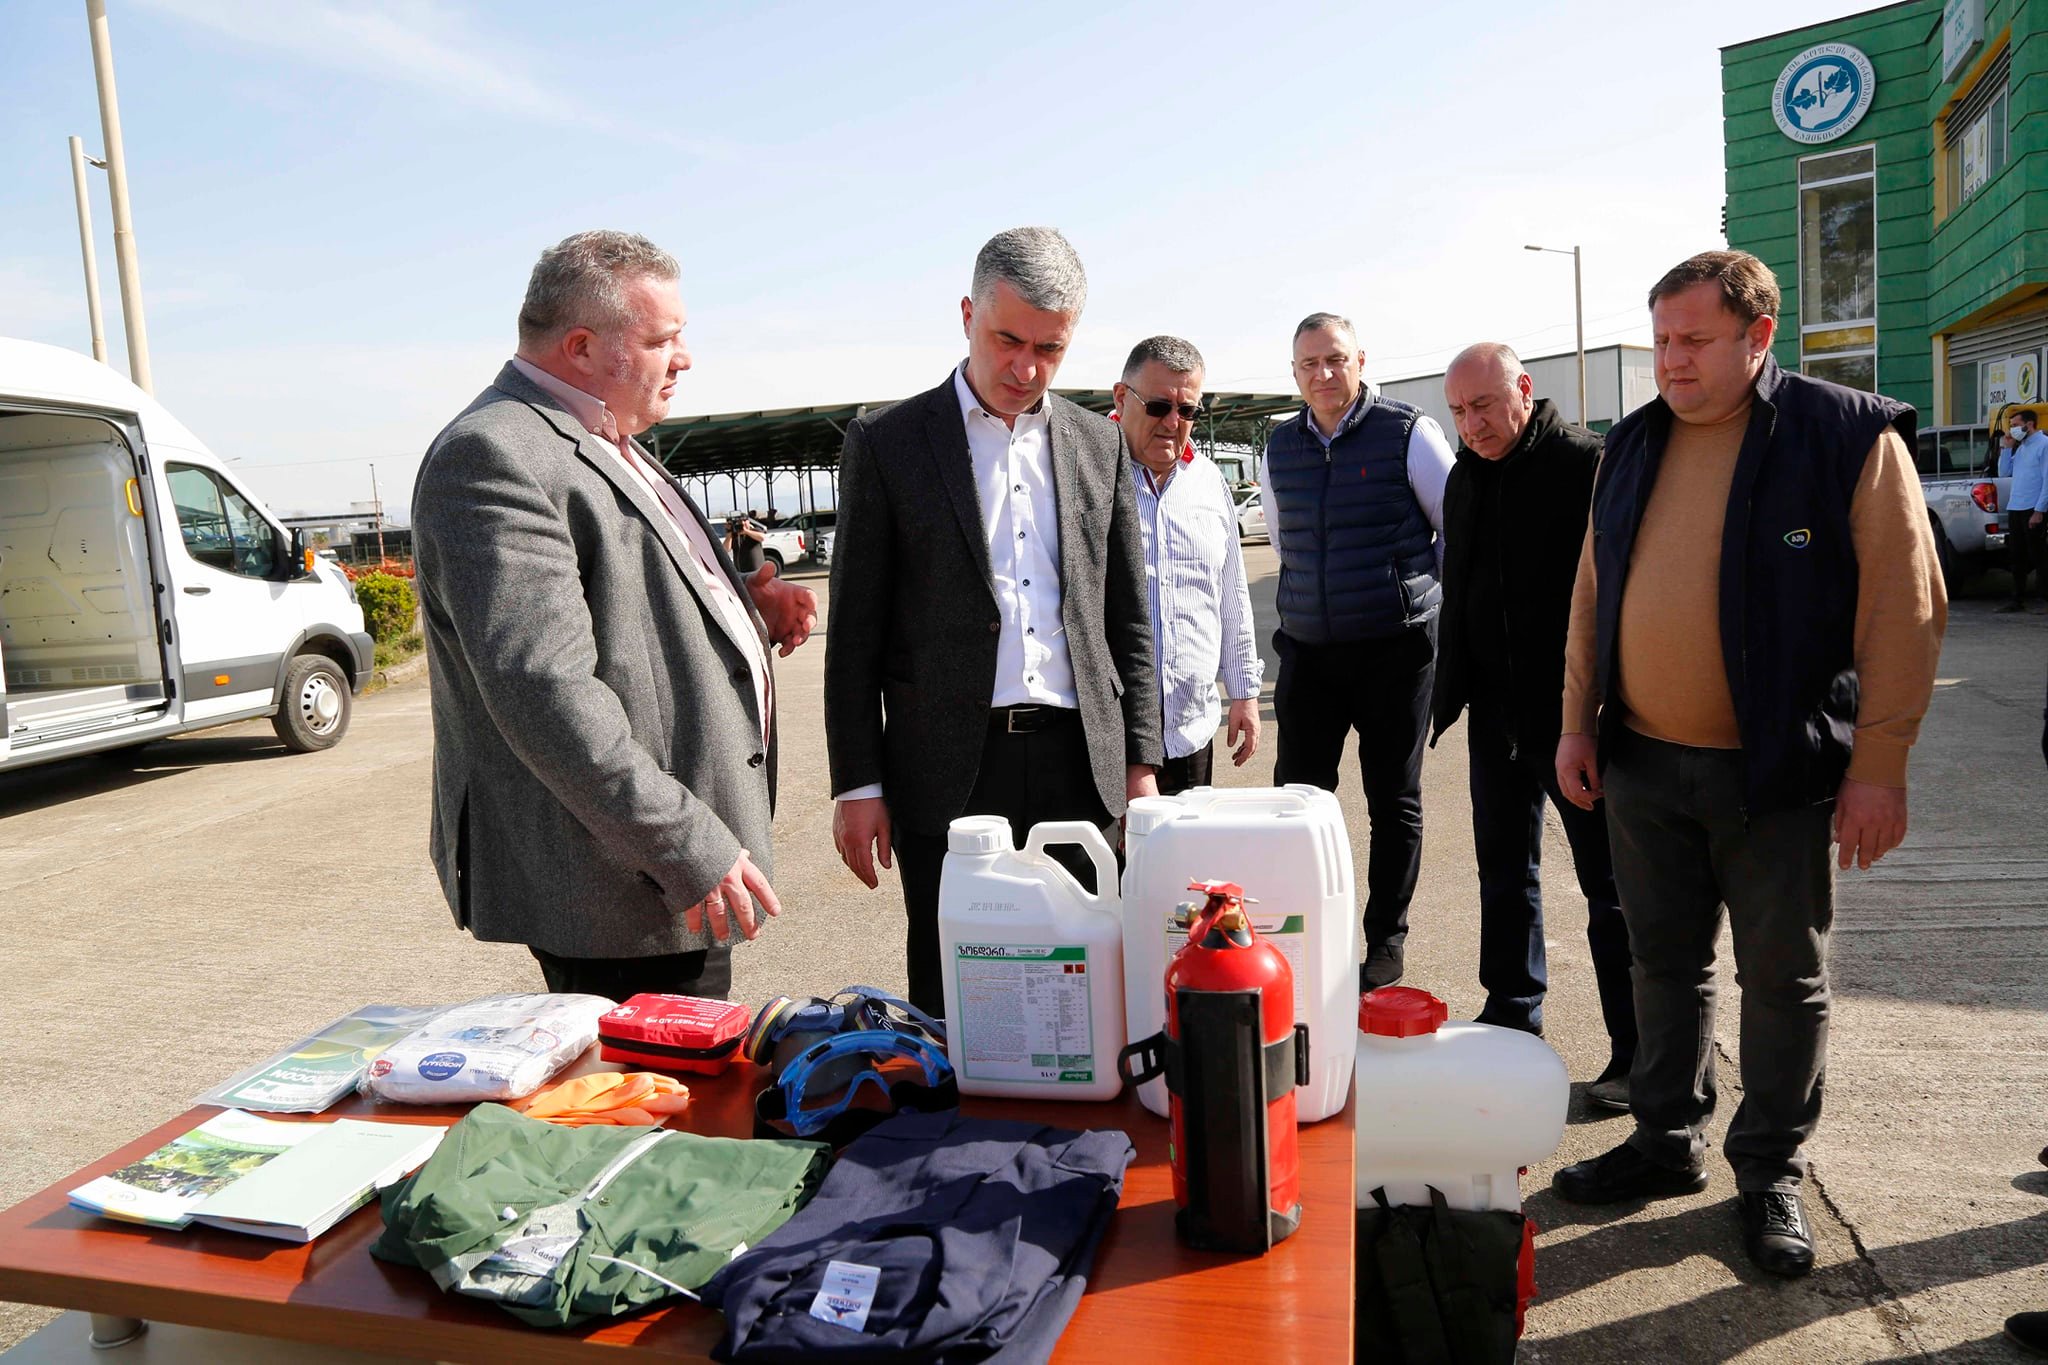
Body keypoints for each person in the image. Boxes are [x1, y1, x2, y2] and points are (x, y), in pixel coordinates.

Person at [1549, 250, 1946, 1279]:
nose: (1670, 361)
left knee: (1781, 979)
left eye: (1693, 340)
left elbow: (1904, 607)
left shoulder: (1842, 434)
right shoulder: (1631, 442)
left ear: (1758, 335)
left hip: (1775, 775)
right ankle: (1663, 1138)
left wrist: (1879, 765)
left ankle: (1768, 1167)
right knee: (1660, 964)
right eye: (1660, 341)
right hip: (1643, 766)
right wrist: (1577, 722)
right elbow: (1592, 592)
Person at [412, 230, 817, 1002]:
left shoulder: (603, 436)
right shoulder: (494, 456)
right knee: (648, 1080)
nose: (684, 357)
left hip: (653, 887)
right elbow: (545, 692)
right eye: (662, 339)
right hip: (620, 894)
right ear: (582, 346)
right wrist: (687, 846)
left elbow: (621, 611)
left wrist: (744, 609)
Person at [824, 226, 1162, 1016]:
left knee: (1084, 986)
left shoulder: (1098, 444)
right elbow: (855, 632)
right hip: (947, 769)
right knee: (954, 989)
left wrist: (1141, 762)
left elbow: (1128, 621)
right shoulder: (888, 444)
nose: (1026, 368)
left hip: (1081, 765)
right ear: (968, 314)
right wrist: (858, 782)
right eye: (1008, 340)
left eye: (1050, 348)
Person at [1432, 342, 1634, 1111]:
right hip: (1496, 715)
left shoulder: (1585, 465)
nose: (1471, 424)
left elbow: (1618, 596)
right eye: (1458, 411)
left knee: (1610, 887)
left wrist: (1601, 710)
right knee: (1503, 871)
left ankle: (1638, 1050)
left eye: (1483, 405)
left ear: (1523, 388)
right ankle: (1513, 1012)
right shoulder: (1463, 478)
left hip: (1577, 718)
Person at [1260, 312, 1453, 989]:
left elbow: (1453, 526)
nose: (1323, 374)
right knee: (1297, 801)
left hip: (1395, 651)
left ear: (1360, 361)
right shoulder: (1280, 446)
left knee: (1392, 799)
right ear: (1294, 373)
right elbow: (1282, 542)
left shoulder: (1408, 432)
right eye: (1309, 363)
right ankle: (1304, 930)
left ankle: (1385, 939)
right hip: (1309, 652)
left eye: (1335, 359)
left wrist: (1417, 600)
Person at [1114, 335, 1262, 795]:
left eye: (1188, 410)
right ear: (1121, 398)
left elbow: (1230, 592)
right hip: (1110, 734)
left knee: (1187, 843)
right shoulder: (1089, 473)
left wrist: (1245, 692)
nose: (1172, 422)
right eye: (1159, 406)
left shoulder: (1209, 482)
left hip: (1190, 727)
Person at [1996, 407, 2047, 612]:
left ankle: (2043, 598)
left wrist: (2039, 510)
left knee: (2039, 555)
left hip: (2033, 508)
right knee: (2016, 555)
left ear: (2029, 424)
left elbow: (2047, 480)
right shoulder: (2021, 447)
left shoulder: (2043, 445)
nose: (2012, 430)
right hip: (2016, 506)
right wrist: (2006, 448)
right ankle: (2017, 599)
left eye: (2016, 425)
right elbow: (2003, 472)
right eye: (2011, 426)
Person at [726, 511, 767, 575]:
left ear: (749, 521)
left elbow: (762, 537)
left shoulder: (754, 530)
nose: (742, 523)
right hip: (741, 572)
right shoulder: (734, 536)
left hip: (756, 571)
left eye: (744, 521)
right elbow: (726, 549)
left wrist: (746, 531)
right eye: (739, 522)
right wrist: (729, 533)